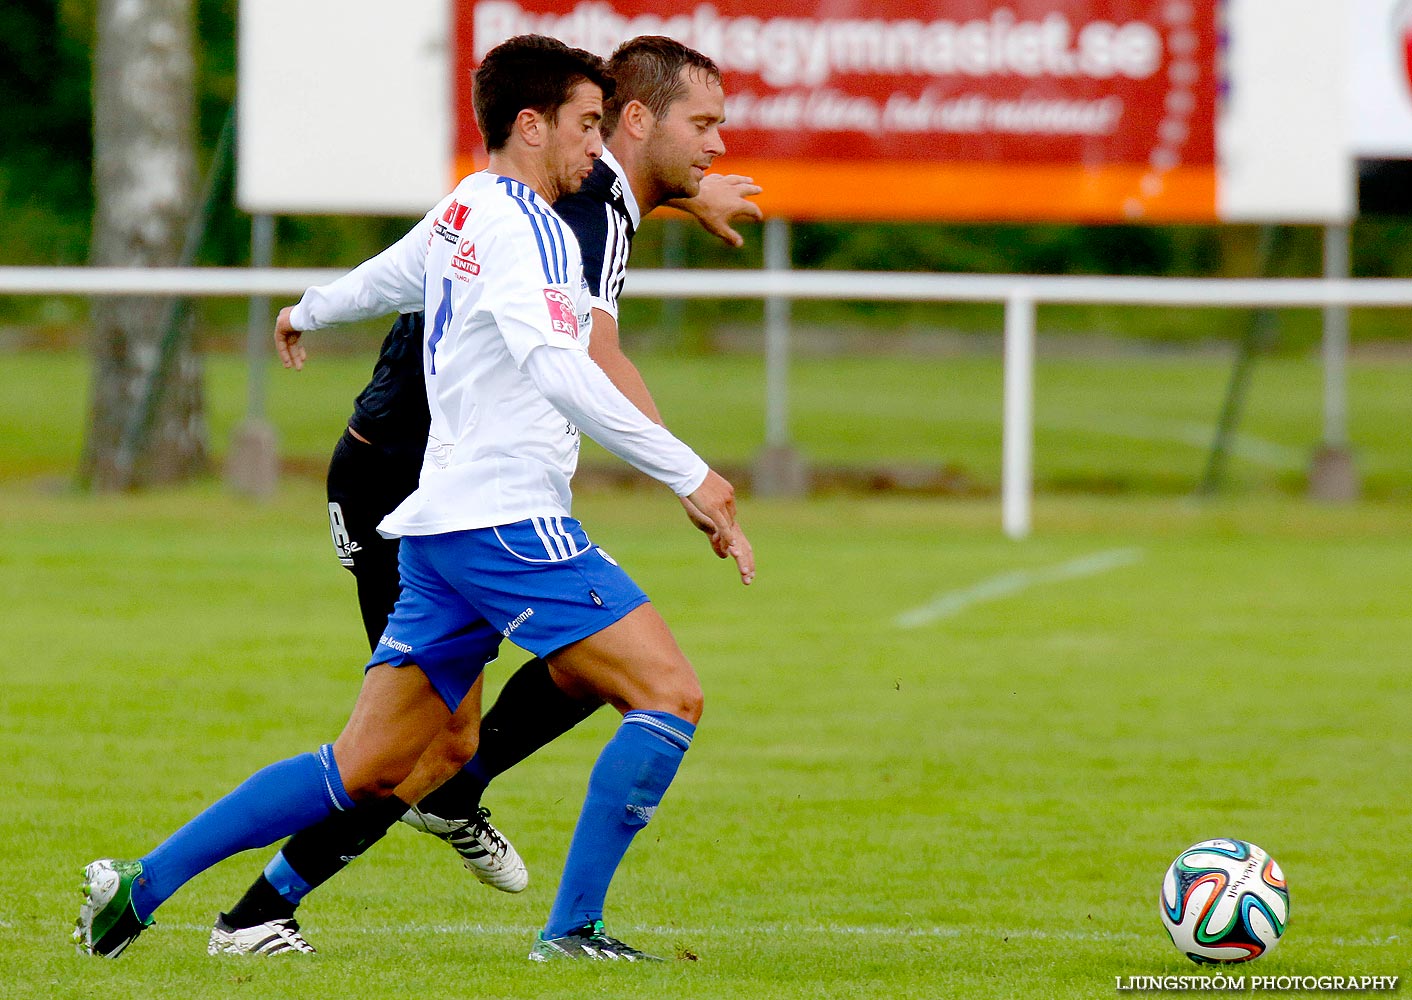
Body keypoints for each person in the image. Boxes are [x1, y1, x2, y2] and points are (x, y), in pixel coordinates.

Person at [75, 33, 753, 963]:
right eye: (586, 127)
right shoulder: (535, 230)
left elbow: (399, 274)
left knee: (360, 766)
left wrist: (307, 308)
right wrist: (690, 473)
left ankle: (139, 888)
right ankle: (572, 932)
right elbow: (563, 365)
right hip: (507, 523)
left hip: (439, 530)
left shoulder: (471, 207)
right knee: (668, 695)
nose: (595, 151)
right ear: (531, 125)